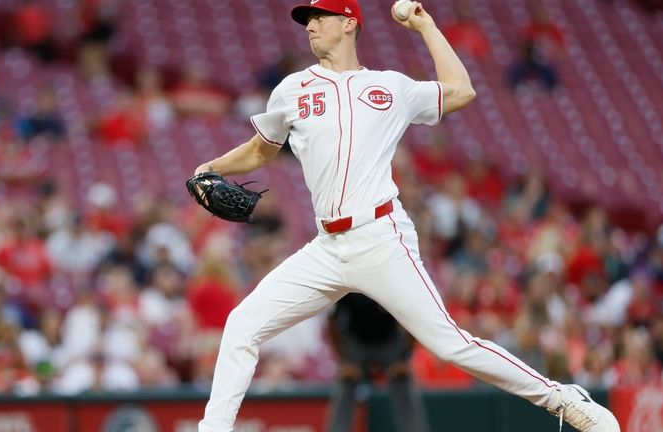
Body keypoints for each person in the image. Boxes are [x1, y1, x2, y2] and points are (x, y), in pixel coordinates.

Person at [190, 1, 620, 431]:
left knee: (451, 345)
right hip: (326, 247)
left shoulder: (389, 88)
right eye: (308, 21)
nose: (311, 27)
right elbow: (261, 149)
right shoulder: (292, 89)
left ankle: (562, 399)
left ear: (348, 23)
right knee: (242, 324)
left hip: (380, 237)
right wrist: (211, 168)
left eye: (320, 18)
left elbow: (461, 90)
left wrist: (426, 26)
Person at [325, 293, 428, 432]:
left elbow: (414, 317)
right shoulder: (351, 280)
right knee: (346, 381)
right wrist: (343, 359)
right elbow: (331, 320)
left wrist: (405, 356)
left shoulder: (391, 279)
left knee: (402, 380)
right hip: (356, 341)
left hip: (390, 340)